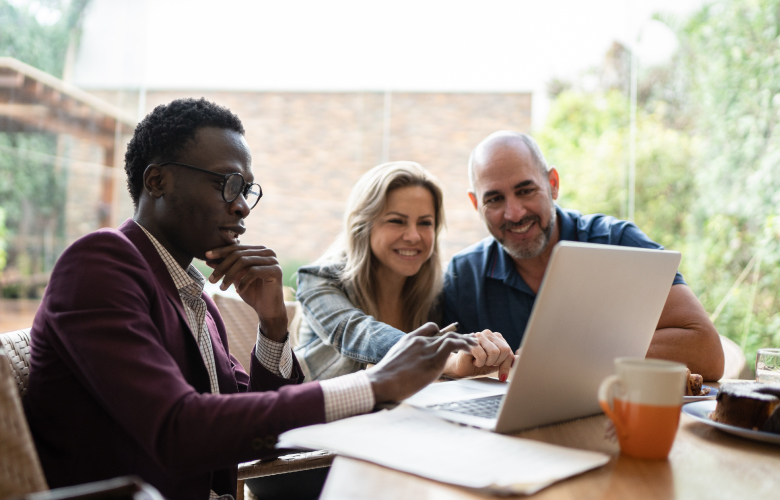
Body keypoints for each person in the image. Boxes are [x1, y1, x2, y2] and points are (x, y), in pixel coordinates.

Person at [23, 98, 478, 500]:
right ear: (158, 181)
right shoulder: (100, 263)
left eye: (246, 190)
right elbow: (179, 430)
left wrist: (273, 326)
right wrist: (376, 384)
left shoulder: (192, 293)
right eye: (228, 184)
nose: (241, 205)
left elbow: (264, 427)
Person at [442, 131, 725, 381]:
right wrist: (455, 363)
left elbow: (707, 351)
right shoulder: (462, 275)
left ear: (553, 183)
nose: (514, 213)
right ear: (475, 203)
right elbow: (424, 356)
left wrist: (571, 356)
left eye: (525, 190)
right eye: (494, 199)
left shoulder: (618, 242)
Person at [295, 161, 515, 382]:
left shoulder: (438, 291)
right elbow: (357, 334)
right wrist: (446, 359)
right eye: (397, 221)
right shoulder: (318, 280)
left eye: (425, 223)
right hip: (319, 413)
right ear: (363, 226)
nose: (413, 236)